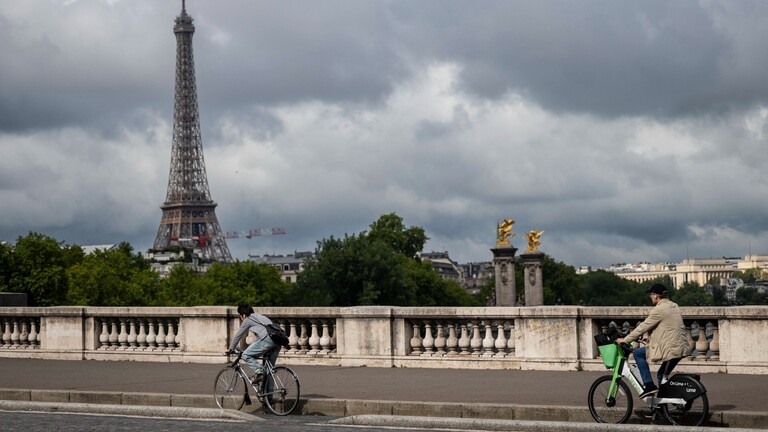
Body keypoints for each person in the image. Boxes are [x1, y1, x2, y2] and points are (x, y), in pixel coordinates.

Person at [617, 283, 690, 398]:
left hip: (670, 348)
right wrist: (647, 336)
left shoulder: (659, 309)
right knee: (662, 375)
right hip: (681, 347)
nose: (650, 297)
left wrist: (625, 340)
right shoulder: (673, 305)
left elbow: (643, 326)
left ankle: (649, 385)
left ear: (656, 295)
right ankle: (662, 407)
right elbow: (664, 326)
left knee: (638, 353)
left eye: (651, 294)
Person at [225, 304, 280, 383]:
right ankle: (268, 395)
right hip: (278, 341)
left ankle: (259, 372)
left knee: (245, 355)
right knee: (269, 372)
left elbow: (238, 335)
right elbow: (260, 337)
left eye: (240, 316)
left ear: (243, 315)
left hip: (267, 339)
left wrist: (230, 349)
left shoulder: (248, 319)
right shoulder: (261, 317)